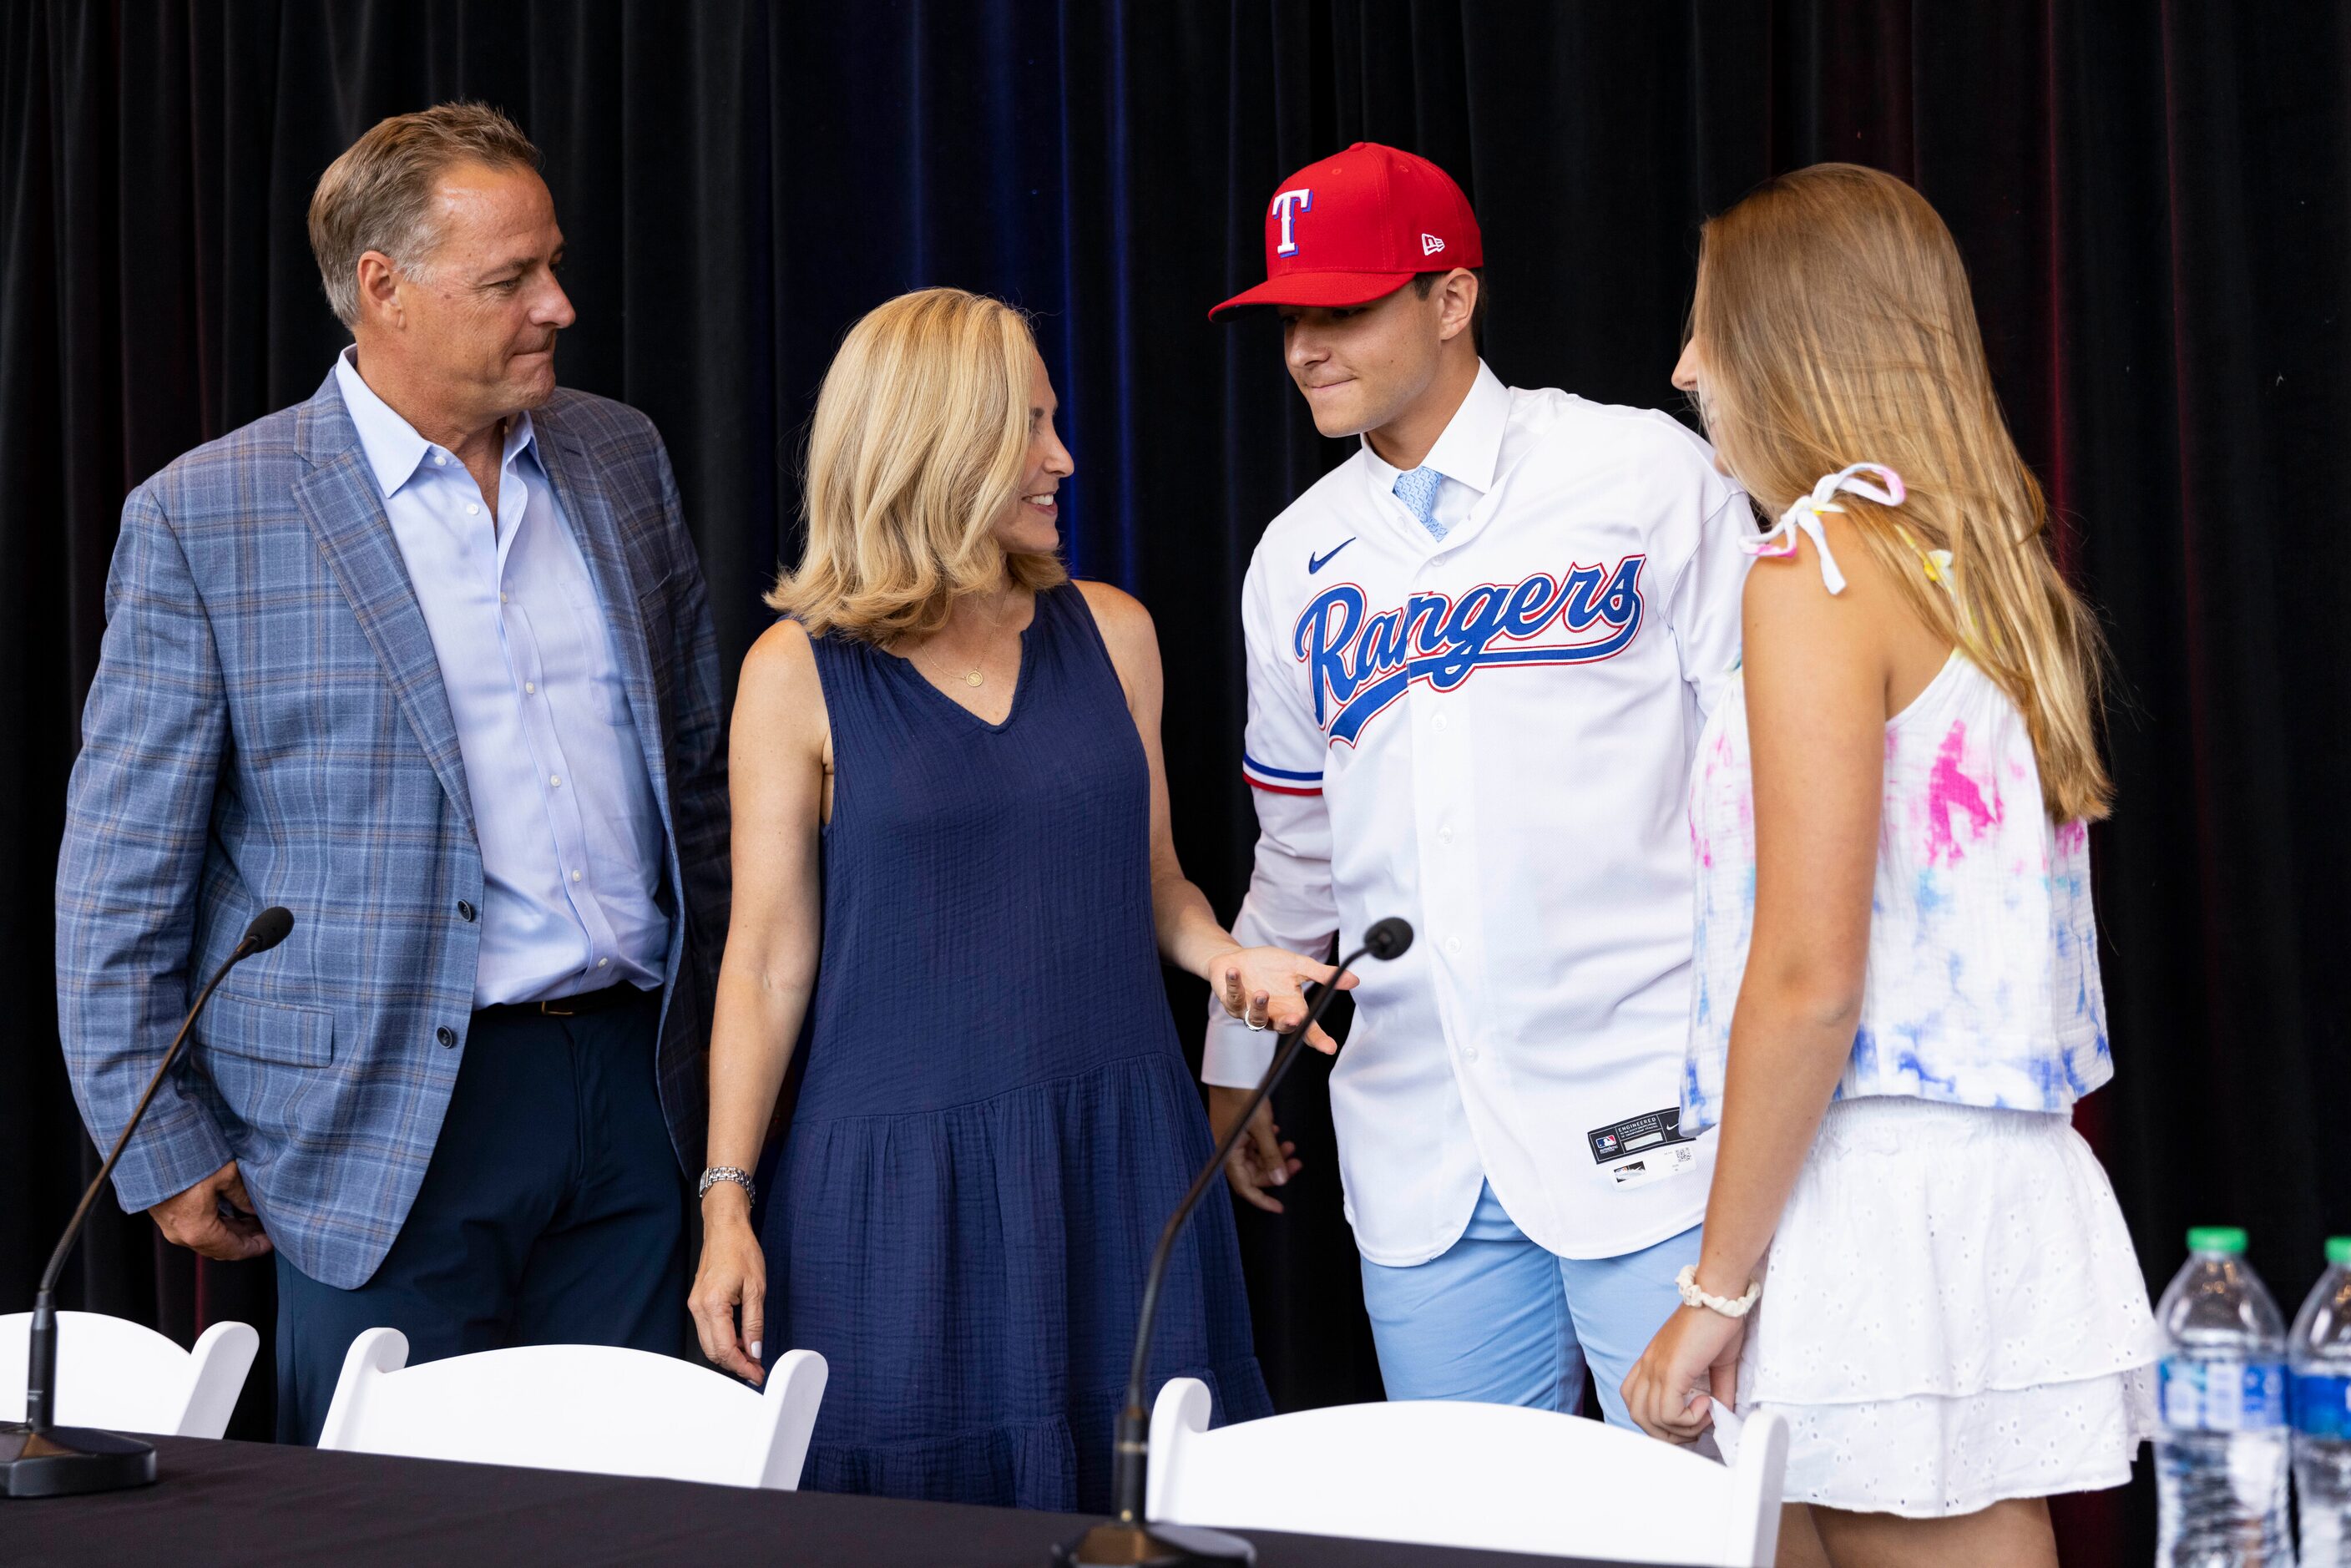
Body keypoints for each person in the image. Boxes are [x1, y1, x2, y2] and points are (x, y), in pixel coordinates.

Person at [53, 103, 729, 1444]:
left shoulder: (622, 459)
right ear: (384, 289)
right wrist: (164, 1144)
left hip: (638, 1083)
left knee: (639, 1509)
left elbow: (698, 786)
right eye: (510, 280)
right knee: (402, 1515)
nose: (560, 304)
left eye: (553, 263)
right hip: (376, 1124)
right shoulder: (208, 517)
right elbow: (118, 877)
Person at [1620, 164, 2157, 1567]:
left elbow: (1808, 977)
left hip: (1873, 1194)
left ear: (1795, 346)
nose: (1684, 369)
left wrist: (1713, 1287)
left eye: (1708, 332)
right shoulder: (1974, 563)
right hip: (1967, 1174)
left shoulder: (1818, 570)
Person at [688, 286, 1290, 1511]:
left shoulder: (1114, 633)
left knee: (1153, 1509)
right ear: (931, 440)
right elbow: (762, 958)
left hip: (1116, 1161)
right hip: (893, 1194)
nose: (1063, 456)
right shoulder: (794, 672)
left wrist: (1230, 958)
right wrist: (726, 1199)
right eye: (1029, 425)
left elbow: (1160, 884)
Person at [1204, 143, 1752, 1428]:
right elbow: (1298, 852)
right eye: (1291, 312)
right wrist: (1240, 1060)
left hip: (1655, 1122)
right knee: (1466, 1532)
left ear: (1452, 298)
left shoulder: (1641, 474)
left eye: (1343, 304)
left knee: (1696, 1526)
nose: (1305, 345)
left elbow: (1765, 792)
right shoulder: (1296, 557)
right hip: (1419, 1138)